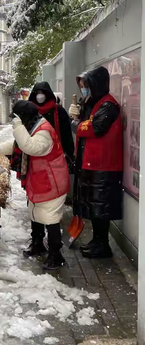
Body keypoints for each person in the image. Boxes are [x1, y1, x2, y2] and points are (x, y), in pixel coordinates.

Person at [0, 101, 70, 270]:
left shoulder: (43, 131)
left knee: (50, 217)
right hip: (40, 179)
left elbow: (29, 147)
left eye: (17, 118)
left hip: (52, 181)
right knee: (36, 212)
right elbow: (17, 144)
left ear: (24, 118)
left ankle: (55, 255)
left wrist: (18, 126)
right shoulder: (33, 127)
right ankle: (38, 244)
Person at [69, 66, 122, 258]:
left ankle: (103, 244)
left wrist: (74, 123)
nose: (84, 90)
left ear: (96, 85)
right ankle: (97, 240)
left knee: (101, 207)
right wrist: (77, 113)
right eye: (83, 87)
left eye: (86, 86)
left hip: (104, 165)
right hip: (91, 163)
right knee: (93, 205)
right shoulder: (94, 102)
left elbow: (95, 128)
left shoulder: (108, 105)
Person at [29, 82, 75, 167]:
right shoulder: (30, 112)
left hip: (56, 155)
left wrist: (69, 152)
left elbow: (66, 133)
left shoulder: (58, 111)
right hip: (36, 155)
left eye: (42, 93)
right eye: (38, 93)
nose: (40, 96)